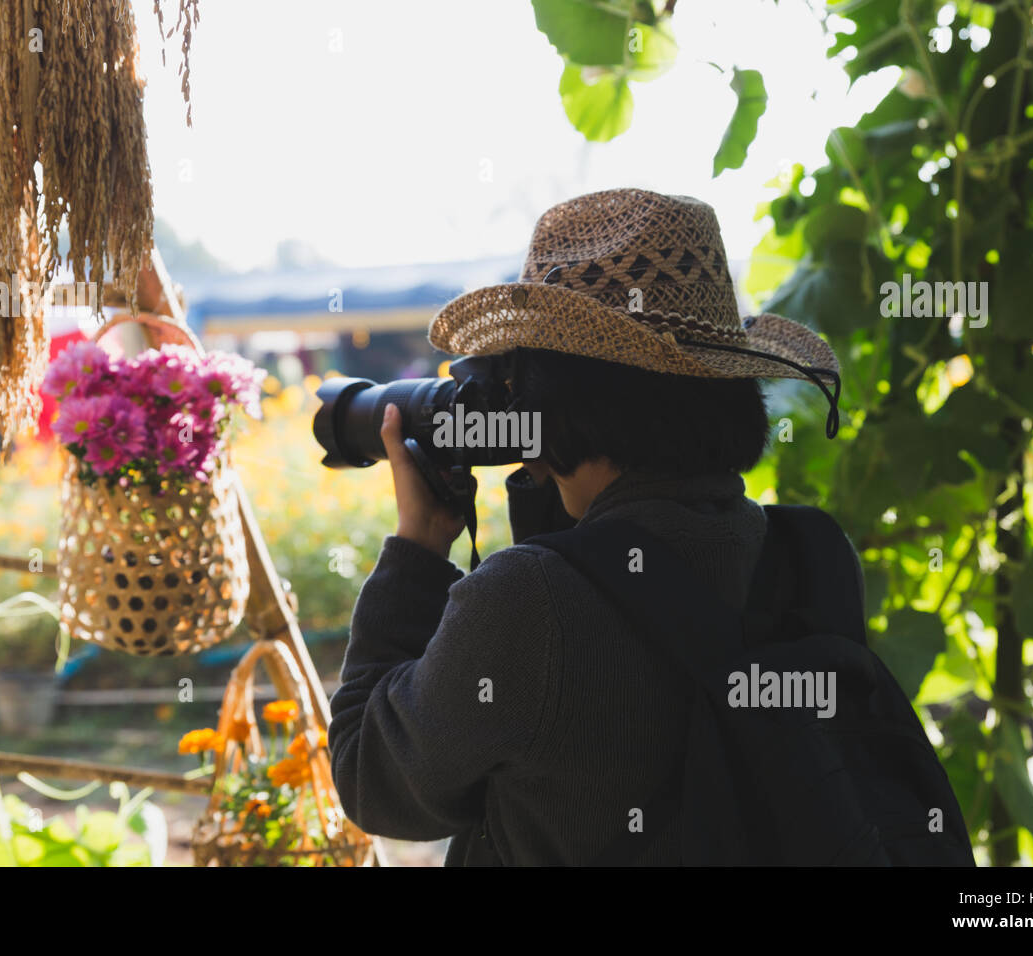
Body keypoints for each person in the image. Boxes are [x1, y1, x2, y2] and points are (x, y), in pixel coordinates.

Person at [328, 188, 845, 865]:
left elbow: (370, 778)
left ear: (549, 396)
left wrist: (416, 550)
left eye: (515, 381)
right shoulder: (813, 554)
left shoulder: (530, 601)